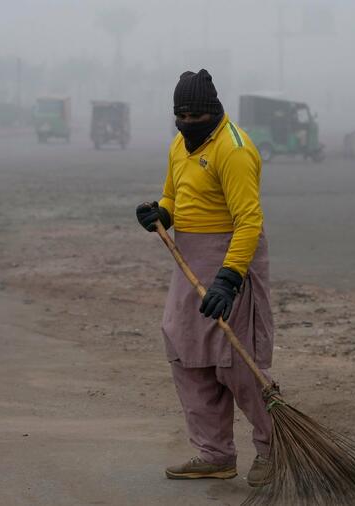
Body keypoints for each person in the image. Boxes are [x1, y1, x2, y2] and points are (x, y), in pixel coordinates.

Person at [135, 69, 274, 488]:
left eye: (197, 114)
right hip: (189, 260)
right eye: (181, 114)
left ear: (214, 112)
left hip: (232, 256)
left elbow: (249, 220)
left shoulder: (234, 148)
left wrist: (229, 279)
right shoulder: (179, 143)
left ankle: (271, 448)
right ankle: (215, 454)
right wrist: (160, 214)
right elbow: (174, 197)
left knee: (238, 361)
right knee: (186, 349)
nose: (188, 121)